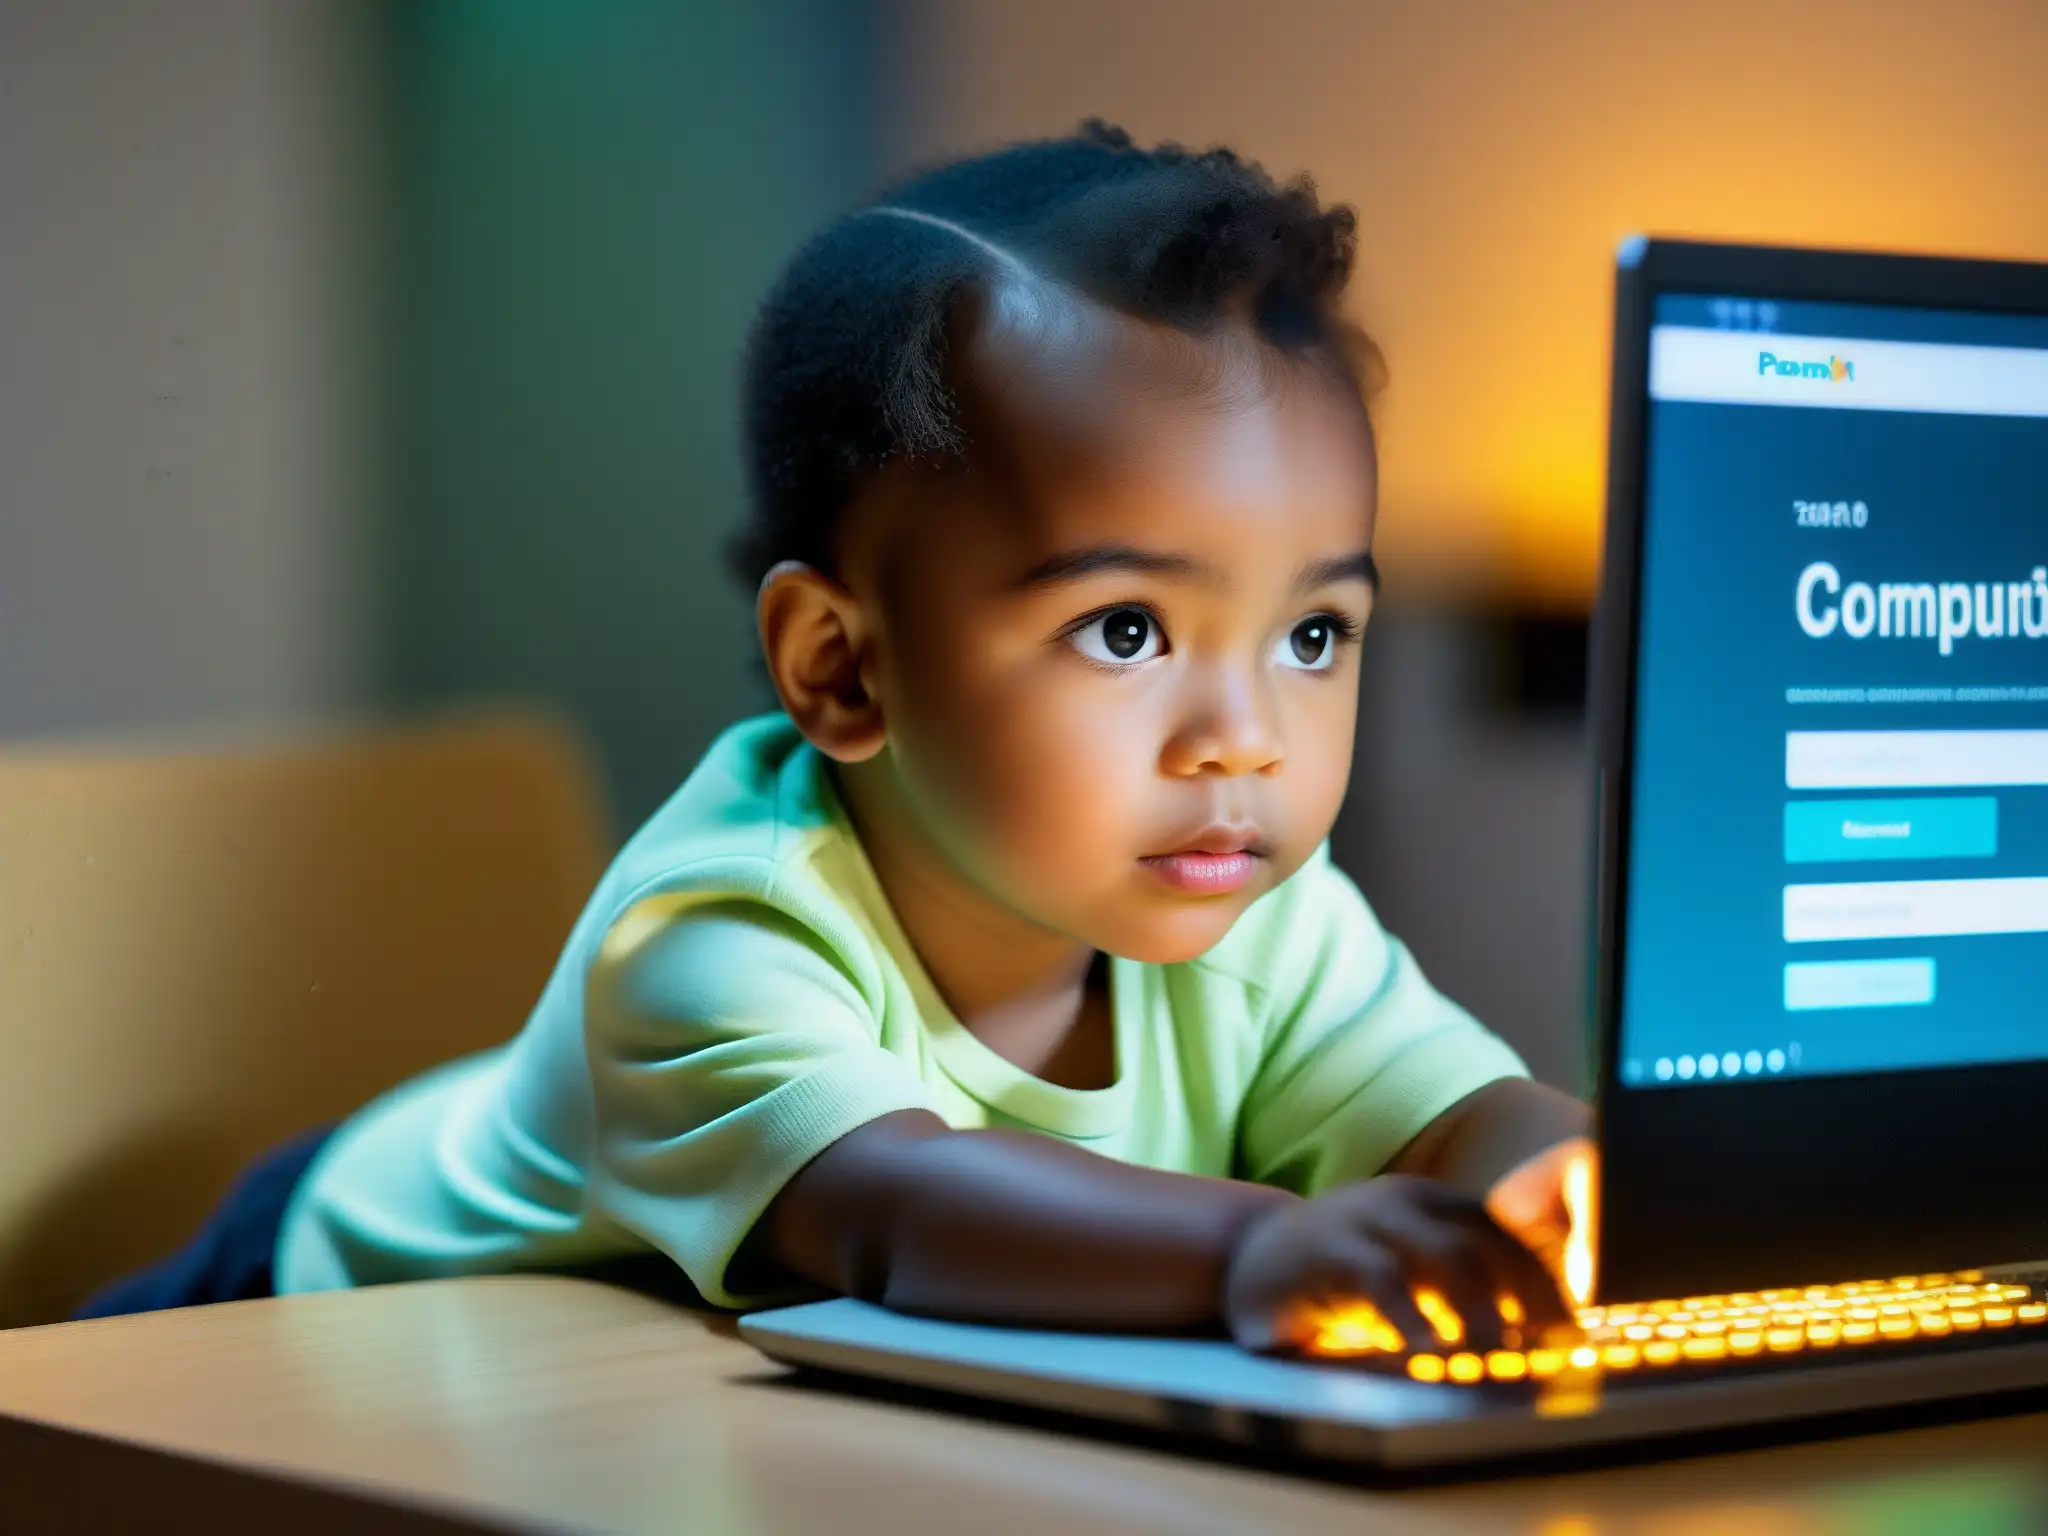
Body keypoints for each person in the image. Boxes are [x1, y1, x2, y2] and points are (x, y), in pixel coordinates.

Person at [83, 122, 1592, 1358]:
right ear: (842, 669)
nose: (1242, 740)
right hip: (300, 1319)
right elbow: (897, 1211)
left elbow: (1453, 1116)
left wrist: (1569, 1181)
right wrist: (1266, 1245)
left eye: (1313, 636)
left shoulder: (1258, 915)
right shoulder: (715, 929)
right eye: (1126, 630)